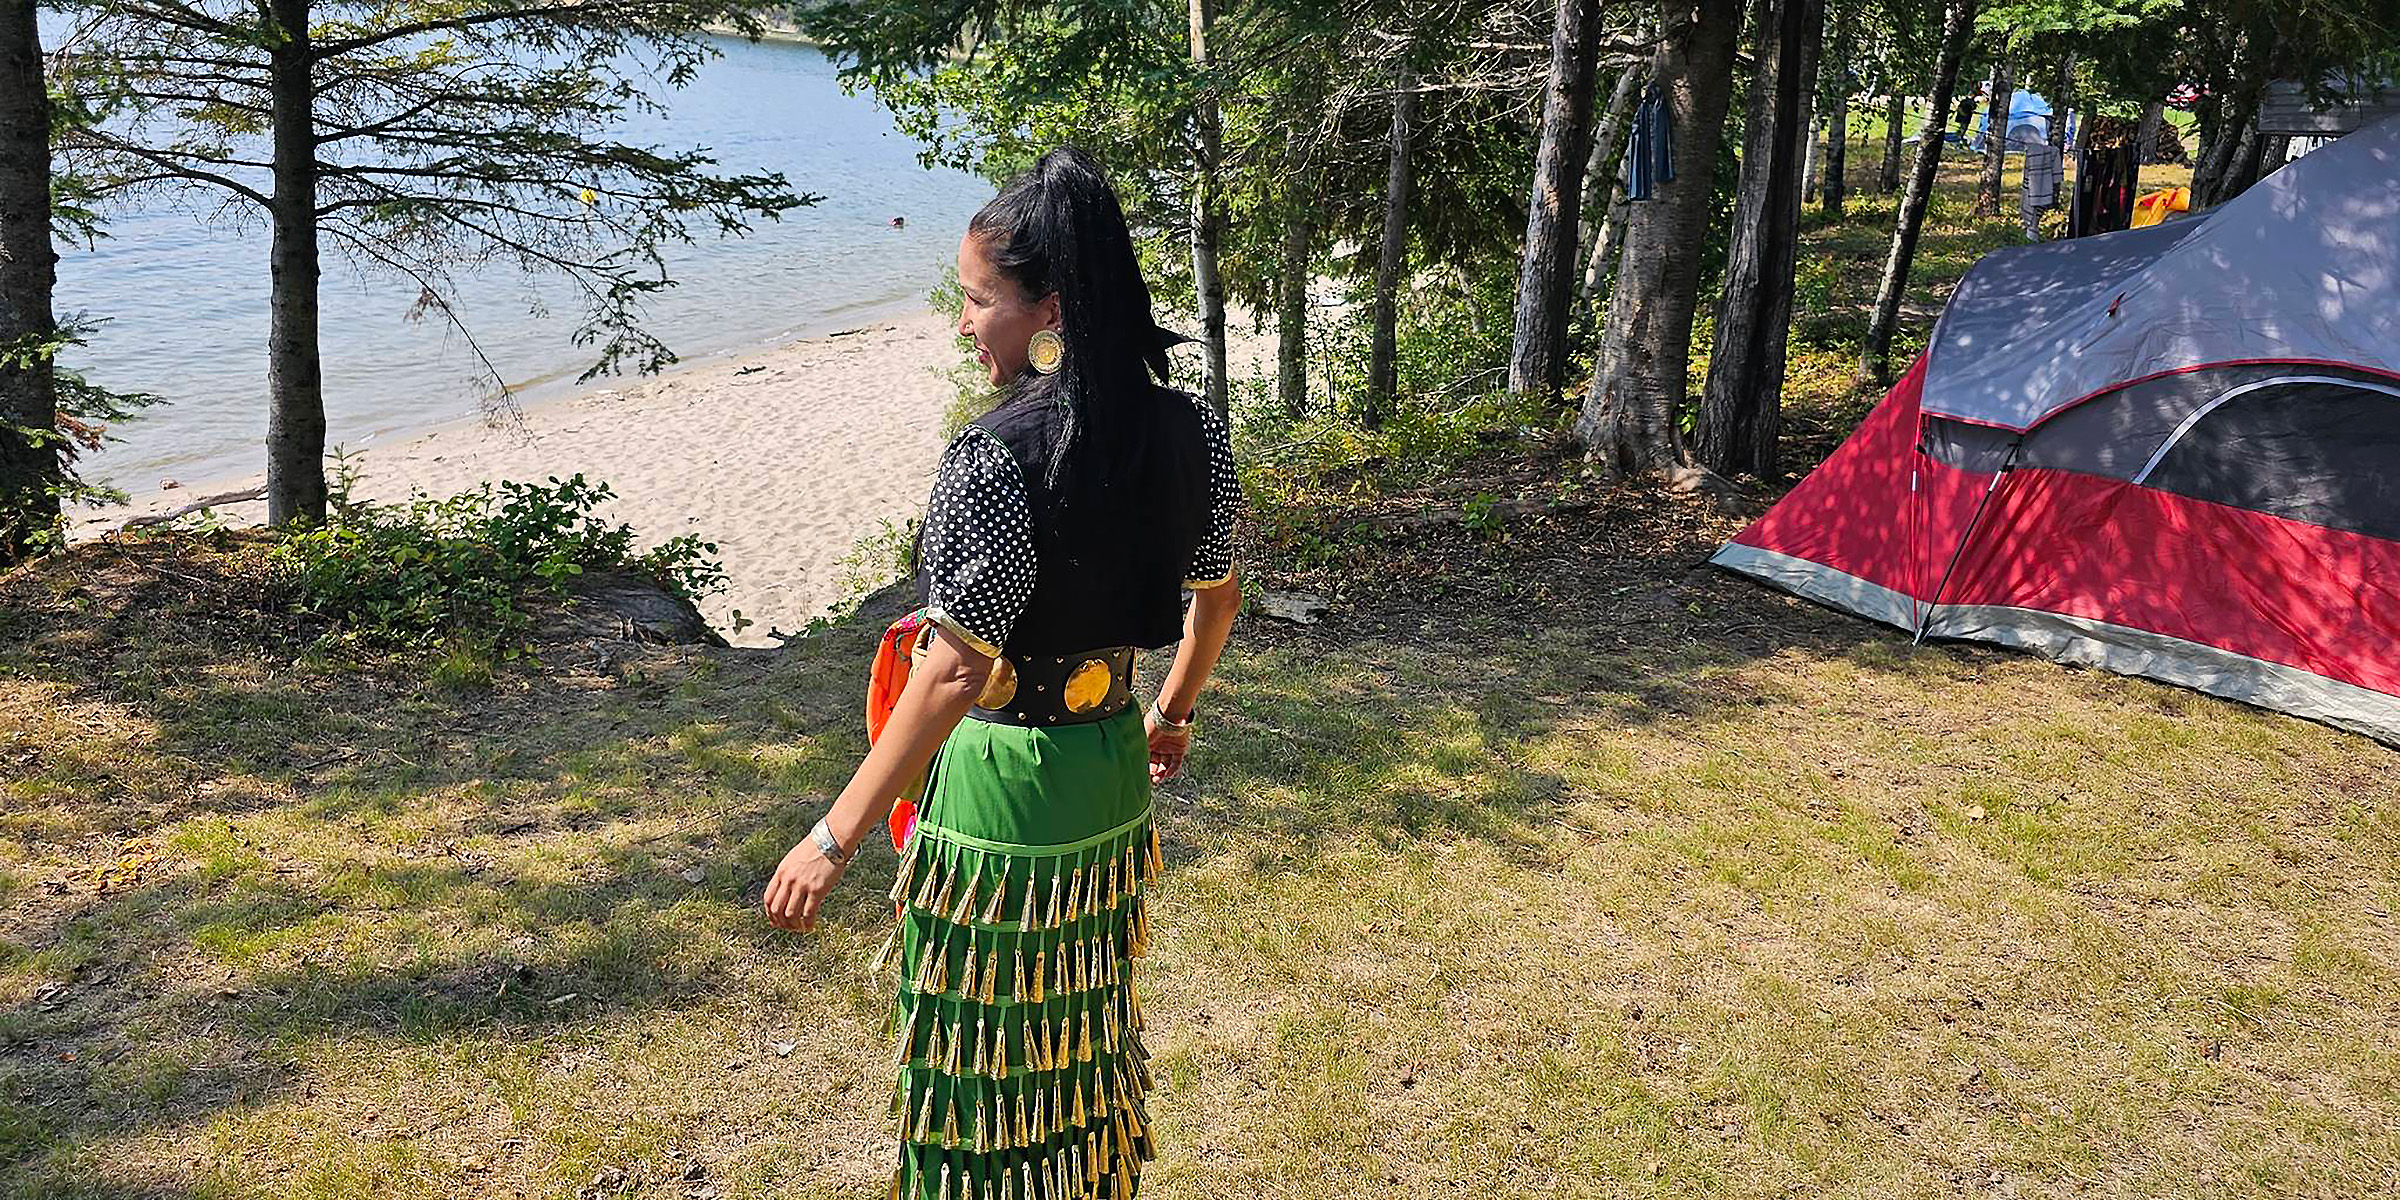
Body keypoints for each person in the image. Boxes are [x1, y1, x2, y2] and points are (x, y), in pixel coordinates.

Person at [760, 146, 1242, 1198]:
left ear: (1050, 307)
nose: (967, 323)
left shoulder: (995, 452)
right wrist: (1172, 713)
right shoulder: (1191, 426)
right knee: (1079, 1034)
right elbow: (1218, 596)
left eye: (978, 301)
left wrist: (831, 835)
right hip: (1110, 776)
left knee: (978, 1057)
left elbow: (947, 673)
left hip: (1002, 803)